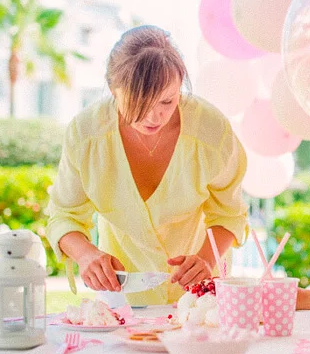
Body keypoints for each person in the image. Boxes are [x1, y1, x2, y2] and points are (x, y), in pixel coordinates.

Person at [46, 25, 248, 306]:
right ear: (113, 90)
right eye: (139, 102)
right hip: (123, 294)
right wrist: (86, 255)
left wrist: (205, 258)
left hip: (201, 299)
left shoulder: (212, 134)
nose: (155, 116)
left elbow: (229, 214)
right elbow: (63, 215)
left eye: (167, 100)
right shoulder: (86, 136)